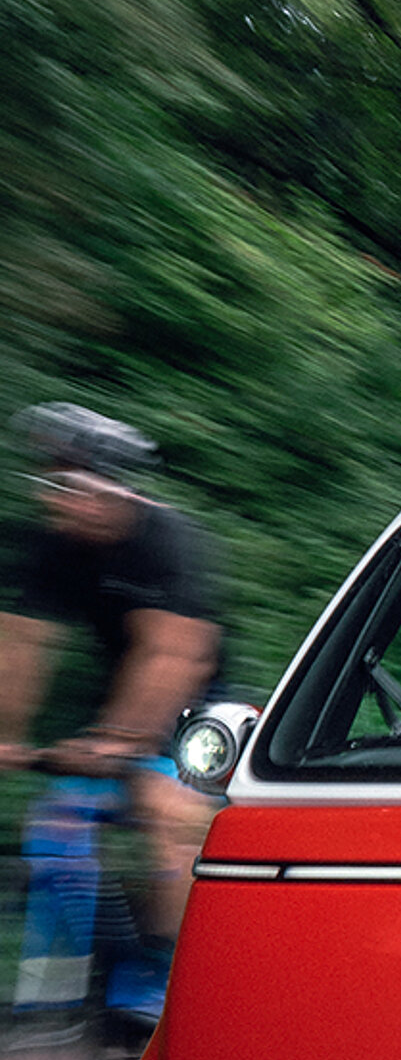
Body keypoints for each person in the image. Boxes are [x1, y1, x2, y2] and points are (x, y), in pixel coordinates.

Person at [0, 402, 223, 1014]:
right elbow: (20, 642)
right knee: (55, 827)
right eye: (47, 484)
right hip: (121, 711)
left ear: (113, 487)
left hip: (196, 715)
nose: (54, 499)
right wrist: (8, 733)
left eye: (68, 485)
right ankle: (100, 971)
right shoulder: (54, 546)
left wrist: (116, 739)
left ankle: (165, 975)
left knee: (161, 812)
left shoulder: (165, 539)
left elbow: (173, 655)